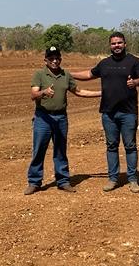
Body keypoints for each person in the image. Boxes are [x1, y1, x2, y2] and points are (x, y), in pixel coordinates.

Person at [71, 32, 139, 193]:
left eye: (119, 43)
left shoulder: (134, 61)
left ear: (125, 44)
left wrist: (135, 82)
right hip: (108, 113)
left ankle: (133, 179)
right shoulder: (104, 63)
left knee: (130, 146)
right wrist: (68, 74)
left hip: (128, 112)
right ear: (110, 45)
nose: (117, 46)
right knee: (111, 146)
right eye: (114, 43)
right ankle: (113, 179)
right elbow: (89, 74)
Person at [26, 45, 101, 195]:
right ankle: (34, 182)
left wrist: (101, 93)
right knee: (39, 150)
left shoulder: (66, 75)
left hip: (61, 117)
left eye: (57, 58)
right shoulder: (39, 74)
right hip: (43, 118)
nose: (54, 61)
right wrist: (44, 92)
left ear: (60, 59)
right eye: (51, 58)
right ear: (45, 60)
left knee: (60, 150)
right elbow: (33, 95)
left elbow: (79, 92)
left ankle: (63, 181)